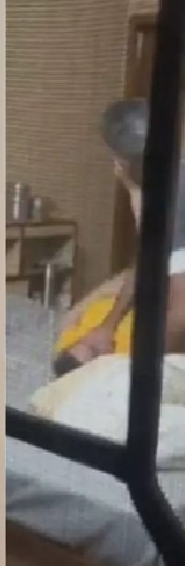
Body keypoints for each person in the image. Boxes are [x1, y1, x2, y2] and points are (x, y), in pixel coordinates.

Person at [54, 99, 185, 374]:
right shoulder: (165, 185)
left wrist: (144, 375)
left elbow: (180, 312)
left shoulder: (175, 197)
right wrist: (106, 325)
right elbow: (146, 260)